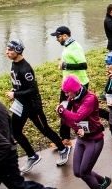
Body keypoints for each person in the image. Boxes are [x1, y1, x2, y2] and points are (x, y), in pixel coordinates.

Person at [5, 39, 69, 171]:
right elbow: (20, 84)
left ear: (18, 51)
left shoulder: (25, 68)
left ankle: (63, 148)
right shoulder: (14, 64)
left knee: (44, 129)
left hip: (33, 107)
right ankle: (32, 156)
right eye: (7, 49)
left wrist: (15, 94)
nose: (7, 52)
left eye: (10, 50)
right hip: (20, 106)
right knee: (15, 132)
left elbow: (33, 90)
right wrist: (15, 90)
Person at [56, 75, 109, 189]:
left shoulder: (90, 99)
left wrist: (64, 112)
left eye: (67, 92)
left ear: (74, 89)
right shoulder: (72, 98)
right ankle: (103, 181)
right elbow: (68, 119)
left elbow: (78, 116)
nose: (66, 94)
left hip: (94, 139)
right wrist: (76, 127)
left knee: (84, 172)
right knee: (77, 172)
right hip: (81, 139)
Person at [51, 25, 88, 144]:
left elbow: (83, 65)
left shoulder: (75, 47)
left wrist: (65, 65)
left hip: (79, 86)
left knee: (82, 112)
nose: (57, 39)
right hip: (67, 87)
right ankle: (65, 139)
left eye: (58, 37)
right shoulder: (67, 46)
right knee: (63, 109)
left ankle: (89, 133)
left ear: (65, 36)